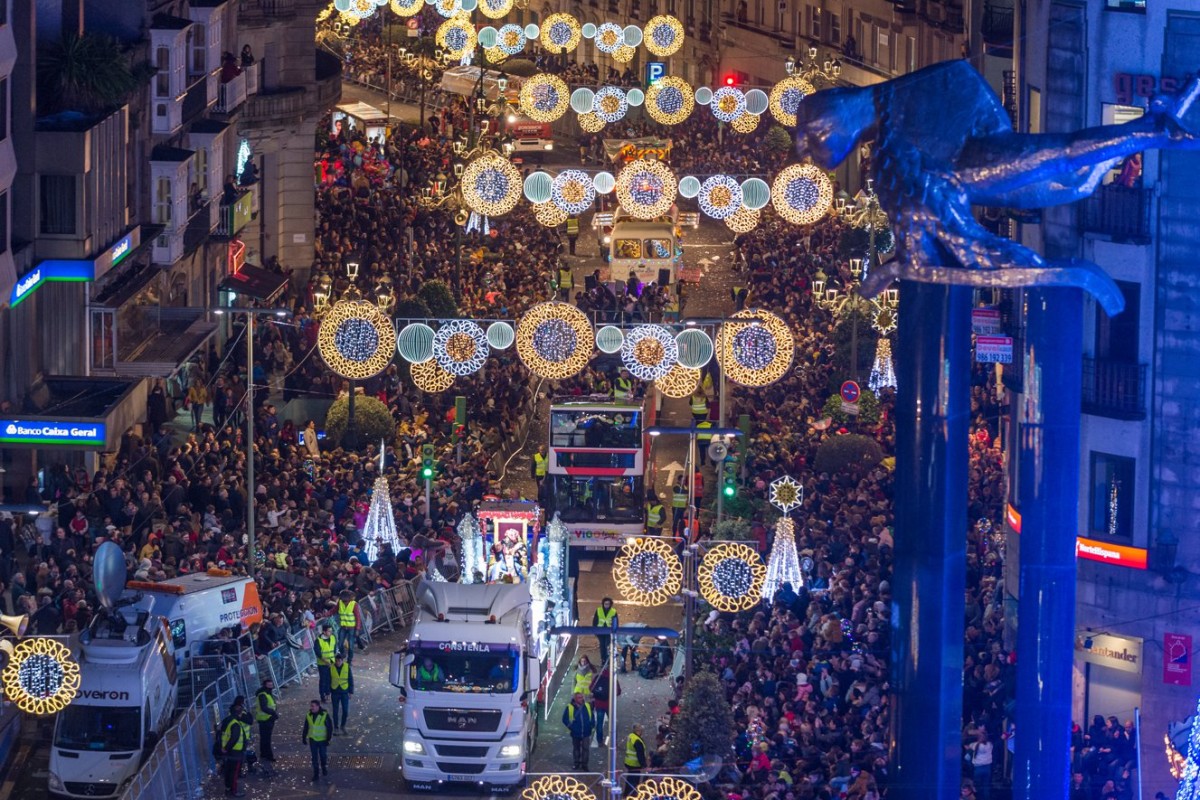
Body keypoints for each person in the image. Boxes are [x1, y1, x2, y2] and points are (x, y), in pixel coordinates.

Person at [218, 696, 250, 797]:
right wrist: (226, 748)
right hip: (235, 752)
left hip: (228, 752)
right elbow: (234, 738)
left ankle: (228, 789)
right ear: (239, 713)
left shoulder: (227, 720)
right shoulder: (235, 724)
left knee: (229, 771)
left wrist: (223, 748)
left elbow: (219, 732)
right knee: (234, 773)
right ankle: (233, 791)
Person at [562, 692, 595, 771]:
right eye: (579, 698)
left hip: (586, 731)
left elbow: (592, 716)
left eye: (582, 697)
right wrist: (572, 727)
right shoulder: (569, 707)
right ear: (575, 699)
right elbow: (565, 719)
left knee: (585, 749)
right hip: (576, 732)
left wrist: (591, 725)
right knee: (576, 749)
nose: (581, 699)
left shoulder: (587, 706)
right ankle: (576, 763)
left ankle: (584, 764)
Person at [590, 660, 618, 747]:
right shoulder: (613, 679)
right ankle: (612, 741)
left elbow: (591, 688)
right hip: (609, 704)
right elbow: (618, 691)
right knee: (612, 723)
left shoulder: (598, 677)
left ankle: (600, 741)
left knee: (599, 723)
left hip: (599, 704)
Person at [302, 699, 331, 782]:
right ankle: (316, 773)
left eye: (313, 706)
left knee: (323, 756)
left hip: (322, 740)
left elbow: (329, 728)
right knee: (314, 758)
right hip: (313, 740)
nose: (311, 708)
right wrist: (303, 737)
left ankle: (324, 767)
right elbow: (306, 727)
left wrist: (328, 739)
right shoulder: (308, 715)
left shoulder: (324, 715)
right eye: (311, 706)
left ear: (318, 706)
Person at [254, 679, 279, 762]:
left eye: (271, 685)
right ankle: (268, 755)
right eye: (269, 685)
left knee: (264, 738)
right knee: (266, 739)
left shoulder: (266, 693)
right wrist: (273, 714)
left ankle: (264, 754)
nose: (271, 687)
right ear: (265, 685)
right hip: (266, 719)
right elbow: (264, 707)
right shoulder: (263, 695)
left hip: (266, 719)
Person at [330, 653, 355, 734]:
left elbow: (350, 679)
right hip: (335, 692)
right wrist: (327, 692)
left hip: (344, 692)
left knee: (345, 710)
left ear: (342, 661)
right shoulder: (331, 668)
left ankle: (343, 725)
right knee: (335, 711)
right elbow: (327, 680)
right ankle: (336, 727)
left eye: (339, 661)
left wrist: (351, 692)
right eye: (336, 661)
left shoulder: (347, 667)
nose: (337, 663)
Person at [336, 590, 362, 663]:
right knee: (340, 643)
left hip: (352, 628)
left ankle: (349, 661)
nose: (344, 603)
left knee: (351, 646)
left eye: (346, 601)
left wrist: (357, 629)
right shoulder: (340, 603)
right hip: (343, 627)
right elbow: (333, 610)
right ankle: (343, 654)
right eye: (343, 601)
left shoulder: (354, 604)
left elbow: (358, 617)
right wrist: (325, 614)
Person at [967, 728, 993, 800]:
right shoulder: (990, 745)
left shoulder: (975, 745)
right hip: (987, 768)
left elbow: (967, 742)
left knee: (978, 787)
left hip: (978, 768)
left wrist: (975, 733)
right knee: (986, 787)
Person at [315, 623, 337, 702]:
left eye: (331, 631)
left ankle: (328, 694)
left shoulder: (333, 638)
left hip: (331, 663)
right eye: (329, 631)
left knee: (330, 679)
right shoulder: (318, 640)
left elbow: (334, 650)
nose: (331, 633)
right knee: (323, 680)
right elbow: (318, 653)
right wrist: (326, 661)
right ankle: (323, 696)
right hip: (322, 664)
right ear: (324, 632)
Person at [592, 597, 617, 665]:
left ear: (610, 604)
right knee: (602, 646)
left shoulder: (613, 611)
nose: (606, 605)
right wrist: (594, 630)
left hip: (609, 632)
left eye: (608, 604)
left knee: (607, 645)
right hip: (600, 631)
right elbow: (595, 620)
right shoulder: (598, 610)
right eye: (605, 604)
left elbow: (616, 622)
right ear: (603, 604)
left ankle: (608, 660)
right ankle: (603, 660)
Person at [624, 723, 647, 791]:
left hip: (628, 761)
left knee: (630, 778)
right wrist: (644, 765)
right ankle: (632, 794)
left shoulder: (631, 736)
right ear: (638, 731)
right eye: (641, 730)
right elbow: (640, 755)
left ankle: (627, 792)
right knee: (634, 780)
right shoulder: (637, 741)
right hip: (635, 764)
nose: (642, 732)